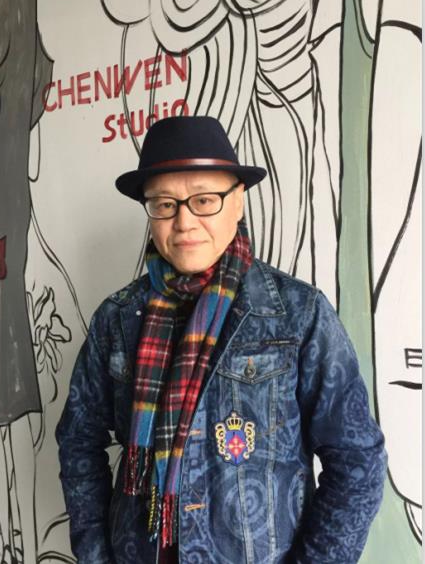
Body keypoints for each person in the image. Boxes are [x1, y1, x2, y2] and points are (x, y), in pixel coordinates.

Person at [56, 116, 387, 564]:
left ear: (239, 202)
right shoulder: (117, 319)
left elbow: (357, 459)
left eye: (204, 200)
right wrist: (96, 556)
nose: (184, 221)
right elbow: (79, 440)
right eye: (165, 204)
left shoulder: (297, 314)